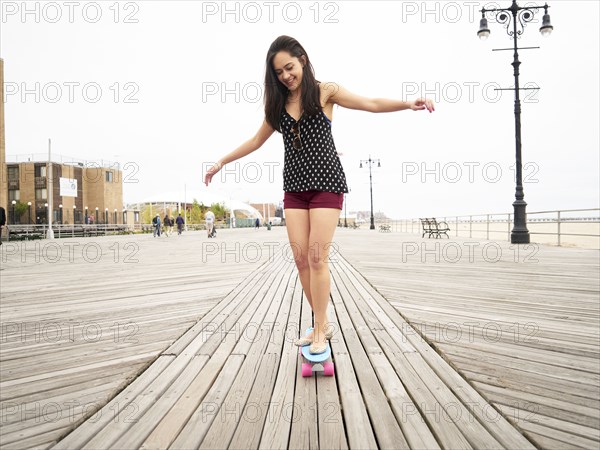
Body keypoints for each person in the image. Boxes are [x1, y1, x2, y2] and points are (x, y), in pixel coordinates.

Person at [204, 35, 434, 354]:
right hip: (294, 189)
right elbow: (255, 141)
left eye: (289, 67)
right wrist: (220, 162)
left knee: (316, 257)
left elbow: (369, 104)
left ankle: (319, 330)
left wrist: (407, 103)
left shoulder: (326, 91)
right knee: (300, 260)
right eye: (279, 73)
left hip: (326, 183)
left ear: (303, 59)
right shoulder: (278, 105)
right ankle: (321, 324)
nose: (286, 76)